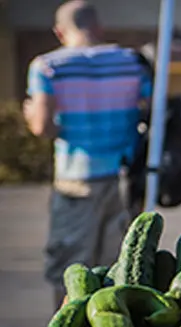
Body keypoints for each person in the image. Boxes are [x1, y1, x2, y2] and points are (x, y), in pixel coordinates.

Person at [25, 0, 151, 307]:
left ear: (59, 31)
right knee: (117, 268)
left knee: (71, 270)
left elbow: (42, 126)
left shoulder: (48, 66)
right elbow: (151, 112)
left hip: (76, 179)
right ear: (100, 27)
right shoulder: (131, 62)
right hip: (124, 177)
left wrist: (31, 115)